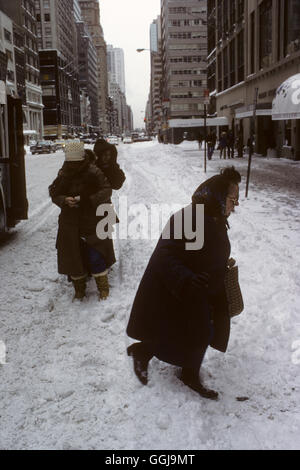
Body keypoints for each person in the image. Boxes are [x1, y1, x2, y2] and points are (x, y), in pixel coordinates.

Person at [126, 167, 241, 400]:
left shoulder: (215, 216)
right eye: (232, 199)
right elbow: (164, 255)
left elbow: (203, 247)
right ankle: (153, 355)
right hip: (182, 286)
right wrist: (188, 279)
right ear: (218, 196)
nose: (235, 205)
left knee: (197, 330)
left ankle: (165, 359)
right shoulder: (190, 218)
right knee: (195, 330)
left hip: (203, 286)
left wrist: (220, 261)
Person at [49, 142, 114, 301]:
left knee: (95, 253)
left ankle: (103, 288)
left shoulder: (93, 171)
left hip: (92, 219)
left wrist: (86, 200)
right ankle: (79, 289)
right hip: (70, 222)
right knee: (73, 255)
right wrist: (64, 200)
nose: (73, 166)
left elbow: (107, 189)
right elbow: (54, 191)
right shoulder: (64, 173)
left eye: (75, 163)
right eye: (70, 162)